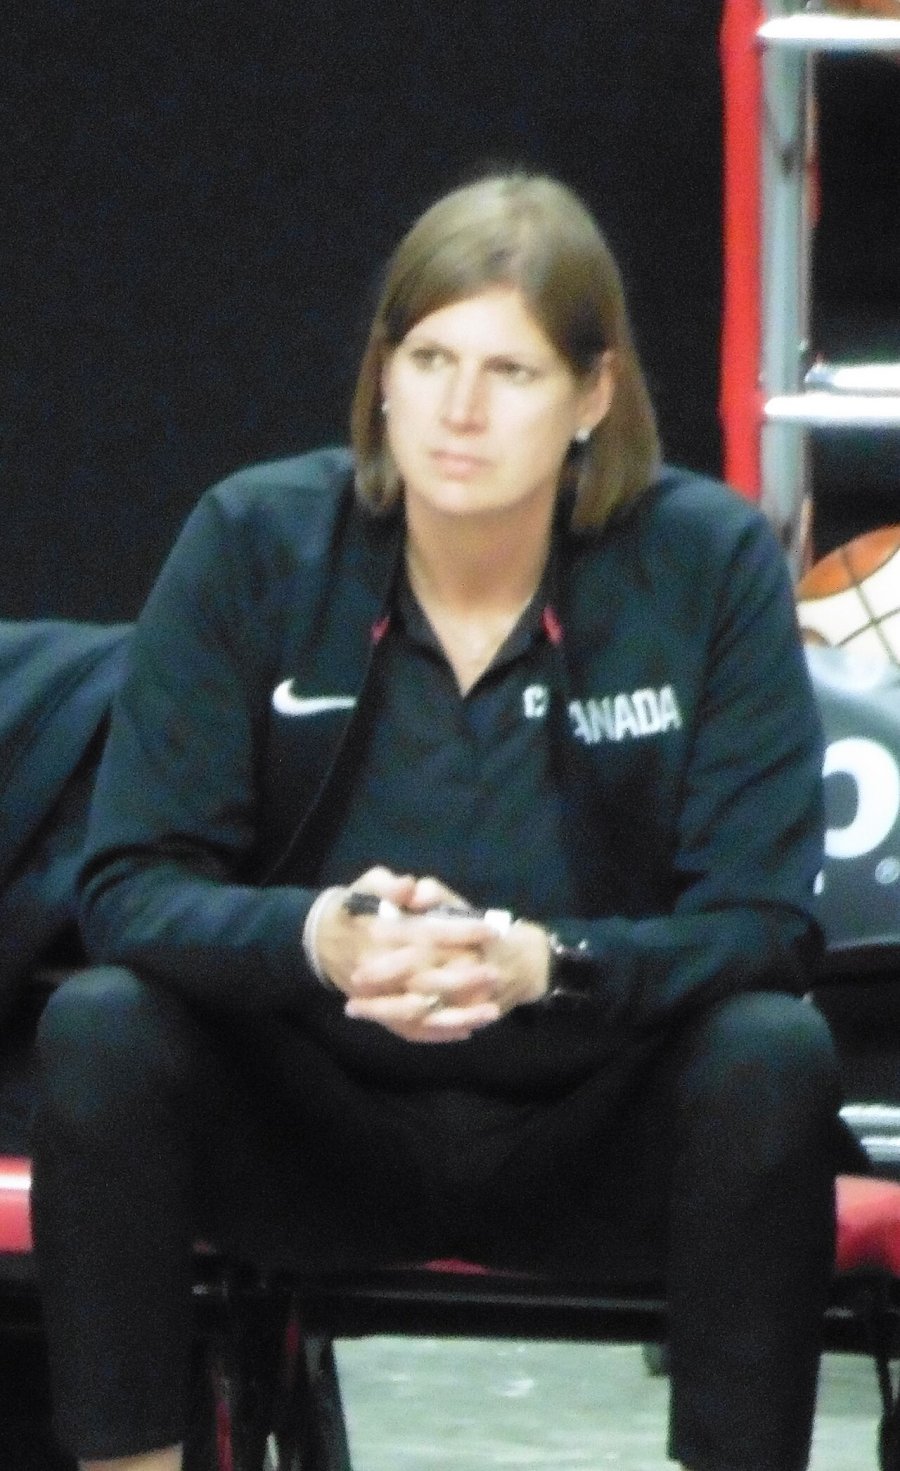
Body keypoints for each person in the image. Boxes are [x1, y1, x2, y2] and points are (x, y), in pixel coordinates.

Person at [31, 171, 843, 1471]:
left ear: (592, 395)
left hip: (594, 1125)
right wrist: (321, 940)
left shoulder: (710, 562)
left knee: (772, 1056)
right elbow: (128, 883)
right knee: (101, 1027)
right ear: (382, 376)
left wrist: (547, 964)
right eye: (429, 360)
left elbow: (765, 926)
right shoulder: (253, 540)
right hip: (315, 1124)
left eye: (510, 371)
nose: (459, 410)